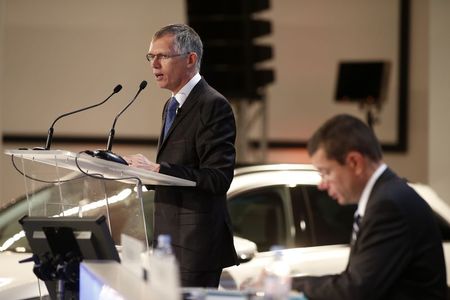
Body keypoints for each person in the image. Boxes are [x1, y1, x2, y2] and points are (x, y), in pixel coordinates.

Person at [124, 24, 238, 288]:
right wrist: (139, 171)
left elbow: (218, 178)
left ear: (190, 59)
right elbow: (174, 167)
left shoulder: (213, 105)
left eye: (162, 56)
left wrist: (158, 170)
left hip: (196, 248)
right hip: (168, 246)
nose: (154, 65)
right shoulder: (171, 105)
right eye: (151, 57)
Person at [292, 114, 447, 299]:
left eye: (326, 172)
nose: (322, 184)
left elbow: (356, 289)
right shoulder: (385, 196)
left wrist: (290, 284)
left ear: (354, 163)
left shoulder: (388, 205)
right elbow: (354, 280)